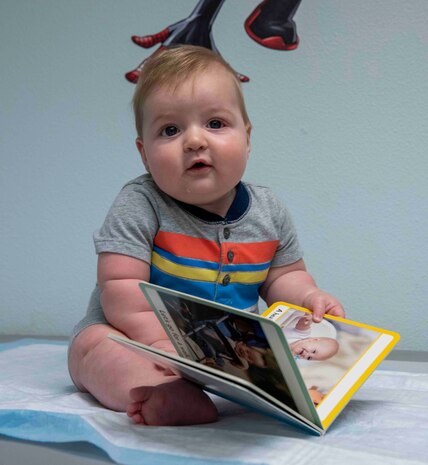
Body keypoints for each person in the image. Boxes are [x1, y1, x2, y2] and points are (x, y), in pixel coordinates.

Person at [68, 45, 345, 427]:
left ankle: (230, 387)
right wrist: (164, 347)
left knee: (296, 359)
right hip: (134, 334)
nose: (195, 141)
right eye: (170, 130)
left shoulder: (268, 210)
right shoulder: (141, 203)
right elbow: (120, 285)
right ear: (144, 154)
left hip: (231, 349)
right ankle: (163, 394)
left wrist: (308, 297)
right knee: (95, 350)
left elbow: (283, 277)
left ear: (246, 138)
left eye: (215, 124)